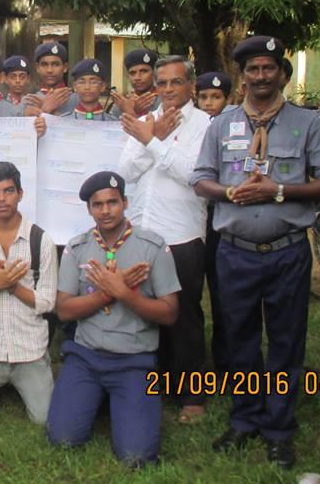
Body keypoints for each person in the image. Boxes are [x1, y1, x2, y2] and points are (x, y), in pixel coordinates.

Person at [191, 35, 320, 469]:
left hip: (286, 252)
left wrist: (279, 191)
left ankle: (278, 428)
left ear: (282, 75)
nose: (260, 76)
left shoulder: (307, 123)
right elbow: (200, 178)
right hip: (234, 253)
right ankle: (245, 417)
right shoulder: (222, 124)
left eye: (268, 68)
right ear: (242, 76)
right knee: (238, 339)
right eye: (253, 69)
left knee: (285, 341)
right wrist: (228, 192)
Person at [47, 171, 180, 466]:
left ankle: (122, 402)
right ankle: (99, 399)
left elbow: (170, 313)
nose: (105, 211)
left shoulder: (152, 247)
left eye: (112, 202)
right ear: (89, 209)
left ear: (125, 203)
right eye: (98, 205)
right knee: (62, 438)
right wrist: (107, 294)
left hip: (134, 360)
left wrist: (125, 294)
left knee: (137, 457)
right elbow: (64, 310)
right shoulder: (77, 248)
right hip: (86, 357)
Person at [116, 55, 211, 423]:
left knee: (184, 314)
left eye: (176, 82)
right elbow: (125, 172)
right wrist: (151, 136)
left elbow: (193, 174)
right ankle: (153, 385)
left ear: (191, 85)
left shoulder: (205, 125)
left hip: (182, 235)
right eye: (163, 83)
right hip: (141, 234)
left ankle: (192, 395)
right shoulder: (145, 122)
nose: (168, 89)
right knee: (144, 313)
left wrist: (152, 143)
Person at [0, 162, 57, 425]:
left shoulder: (41, 240)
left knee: (43, 418)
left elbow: (47, 302)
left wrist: (11, 285)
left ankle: (30, 377)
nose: (1, 199)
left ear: (20, 194)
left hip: (29, 349)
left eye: (8, 191)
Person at [194, 71, 232, 372]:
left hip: (221, 217)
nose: (209, 103)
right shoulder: (191, 126)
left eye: (216, 97)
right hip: (194, 218)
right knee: (192, 290)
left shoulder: (233, 130)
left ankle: (225, 357)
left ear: (227, 100)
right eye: (203, 97)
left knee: (222, 291)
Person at [25, 42, 79, 115]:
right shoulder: (28, 101)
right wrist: (45, 110)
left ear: (65, 67)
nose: (49, 70)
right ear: (37, 68)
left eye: (55, 64)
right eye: (44, 65)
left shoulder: (79, 100)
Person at [112, 49, 160, 116]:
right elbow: (112, 122)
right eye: (132, 73)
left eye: (144, 71)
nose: (137, 77)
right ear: (128, 76)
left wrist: (131, 112)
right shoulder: (122, 103)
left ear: (154, 73)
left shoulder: (165, 99)